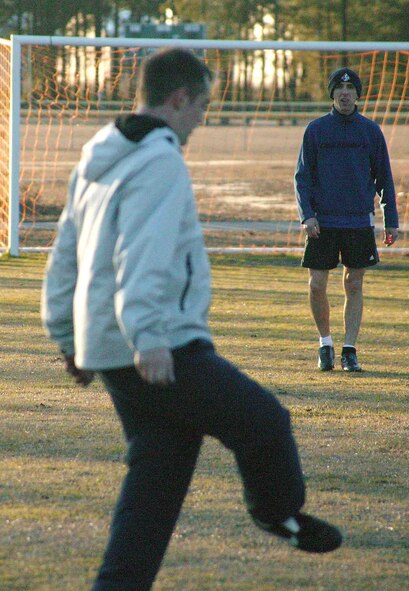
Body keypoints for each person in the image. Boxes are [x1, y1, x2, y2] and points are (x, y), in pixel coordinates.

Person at [41, 48, 342, 591]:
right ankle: (276, 513)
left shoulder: (98, 157)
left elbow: (65, 254)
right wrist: (150, 336)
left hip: (110, 346)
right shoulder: (159, 159)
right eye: (202, 105)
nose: (204, 117)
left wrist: (66, 336)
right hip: (159, 345)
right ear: (178, 99)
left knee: (155, 485)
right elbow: (144, 252)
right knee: (264, 421)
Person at [294, 67, 399, 372]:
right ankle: (325, 344)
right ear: (332, 94)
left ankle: (349, 350)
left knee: (353, 283)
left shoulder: (370, 131)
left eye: (350, 88)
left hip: (358, 222)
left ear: (357, 94)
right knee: (316, 285)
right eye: (339, 89)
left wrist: (390, 219)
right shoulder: (315, 130)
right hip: (322, 223)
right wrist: (307, 216)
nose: (345, 93)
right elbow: (302, 177)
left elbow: (384, 179)